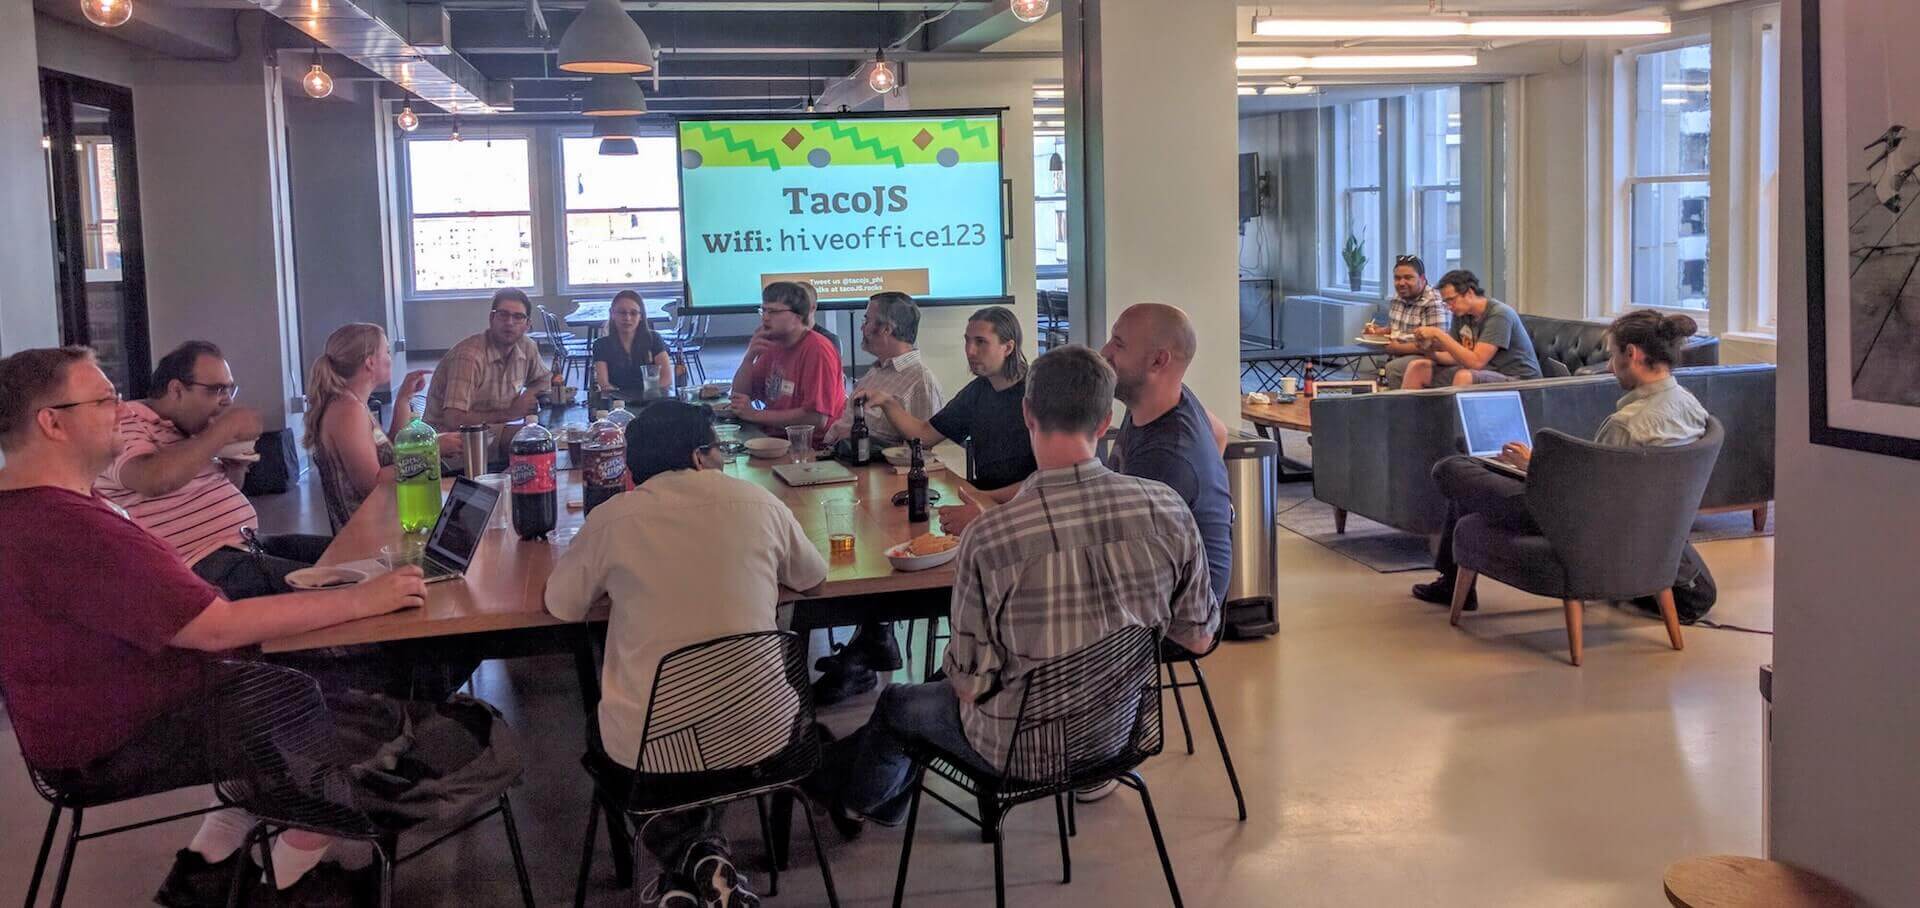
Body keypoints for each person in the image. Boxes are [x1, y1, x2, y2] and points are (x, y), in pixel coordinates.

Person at [0, 346, 430, 904]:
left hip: (114, 721)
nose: (121, 409)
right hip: (125, 737)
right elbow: (215, 626)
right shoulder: (63, 525)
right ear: (52, 423)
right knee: (377, 710)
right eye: (104, 399)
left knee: (319, 682)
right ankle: (284, 885)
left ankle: (206, 870)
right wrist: (365, 599)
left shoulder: (39, 508)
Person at [812, 345, 1219, 835]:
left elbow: (970, 684)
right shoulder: (1168, 508)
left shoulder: (991, 536)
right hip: (1121, 735)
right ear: (1106, 420)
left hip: (1018, 749)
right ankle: (855, 789)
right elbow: (1197, 638)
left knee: (898, 702)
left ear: (1027, 412)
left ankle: (856, 798)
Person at [546, 401, 828, 906]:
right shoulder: (759, 503)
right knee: (710, 725)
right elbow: (812, 576)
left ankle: (691, 857)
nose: (722, 458)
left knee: (609, 732)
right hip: (768, 737)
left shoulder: (613, 518)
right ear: (700, 456)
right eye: (719, 449)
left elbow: (562, 605)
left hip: (655, 752)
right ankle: (703, 862)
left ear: (634, 466)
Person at [1410, 310, 1710, 611]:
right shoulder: (1691, 406)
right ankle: (1452, 580)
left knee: (1453, 468)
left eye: (1613, 355)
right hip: (1642, 521)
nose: (1609, 365)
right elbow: (1605, 482)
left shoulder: (1627, 424)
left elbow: (1587, 497)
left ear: (1631, 354)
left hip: (1576, 526)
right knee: (1478, 458)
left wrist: (1536, 468)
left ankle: (1452, 582)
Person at [812, 306, 1039, 704]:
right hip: (978, 505)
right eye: (967, 341)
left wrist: (985, 502)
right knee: (887, 545)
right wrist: (887, 403)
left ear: (1009, 345)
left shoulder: (1035, 395)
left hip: (1017, 516)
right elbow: (923, 434)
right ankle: (876, 640)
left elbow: (1046, 482)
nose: (970, 351)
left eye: (980, 342)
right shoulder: (979, 391)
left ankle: (944, 665)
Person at [94, 341, 331, 600]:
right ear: (176, 390)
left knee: (350, 558)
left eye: (230, 389)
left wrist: (235, 467)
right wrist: (224, 429)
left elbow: (216, 489)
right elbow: (154, 479)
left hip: (245, 544)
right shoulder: (125, 423)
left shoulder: (189, 431)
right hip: (200, 566)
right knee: (335, 587)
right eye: (217, 390)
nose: (227, 401)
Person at [305, 323, 434, 531]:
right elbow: (373, 482)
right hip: (365, 535)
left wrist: (403, 398)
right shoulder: (348, 411)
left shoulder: (355, 403)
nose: (390, 359)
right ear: (370, 362)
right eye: (387, 352)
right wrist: (429, 455)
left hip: (378, 523)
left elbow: (389, 453)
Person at [422, 288, 552, 463]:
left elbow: (543, 379)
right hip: (450, 442)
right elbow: (454, 419)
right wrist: (510, 413)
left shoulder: (526, 346)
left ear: (527, 324)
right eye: (503, 315)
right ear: (492, 318)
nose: (509, 322)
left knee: (543, 438)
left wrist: (529, 395)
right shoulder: (469, 356)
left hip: (490, 431)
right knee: (530, 444)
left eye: (518, 317)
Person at [821, 292, 944, 449]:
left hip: (877, 471)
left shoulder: (921, 382)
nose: (862, 327)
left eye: (867, 320)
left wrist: (860, 439)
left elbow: (924, 451)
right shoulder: (876, 372)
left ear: (886, 329)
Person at [730, 281, 846, 436]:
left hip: (812, 447)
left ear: (797, 316)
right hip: (774, 438)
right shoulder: (772, 343)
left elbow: (816, 418)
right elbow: (740, 396)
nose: (765, 318)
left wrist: (755, 415)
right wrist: (749, 358)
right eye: (763, 310)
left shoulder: (817, 349)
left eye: (773, 312)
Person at [1401, 270, 1542, 389]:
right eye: (1446, 302)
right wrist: (1429, 351)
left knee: (1465, 376)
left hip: (1520, 380)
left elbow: (1476, 362)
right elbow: (1455, 357)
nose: (1449, 306)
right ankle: (1407, 421)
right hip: (1487, 371)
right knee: (1418, 367)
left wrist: (1438, 334)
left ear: (1469, 293)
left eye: (1452, 300)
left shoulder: (1499, 314)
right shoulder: (1462, 314)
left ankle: (1453, 422)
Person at [1365, 255, 1450, 389]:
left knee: (1394, 368)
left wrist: (1398, 349)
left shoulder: (1433, 301)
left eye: (1408, 278)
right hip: (1398, 353)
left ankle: (1402, 407)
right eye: (1397, 278)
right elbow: (1397, 328)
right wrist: (1378, 332)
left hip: (1428, 357)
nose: (1401, 283)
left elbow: (1437, 344)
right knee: (1371, 379)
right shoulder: (1399, 296)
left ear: (1422, 279)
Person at [592, 289, 672, 406]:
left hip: (653, 403)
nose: (627, 318)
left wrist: (641, 397)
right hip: (619, 405)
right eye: (621, 312)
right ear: (612, 314)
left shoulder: (654, 338)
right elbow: (604, 384)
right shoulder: (601, 344)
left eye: (633, 313)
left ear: (641, 316)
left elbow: (666, 379)